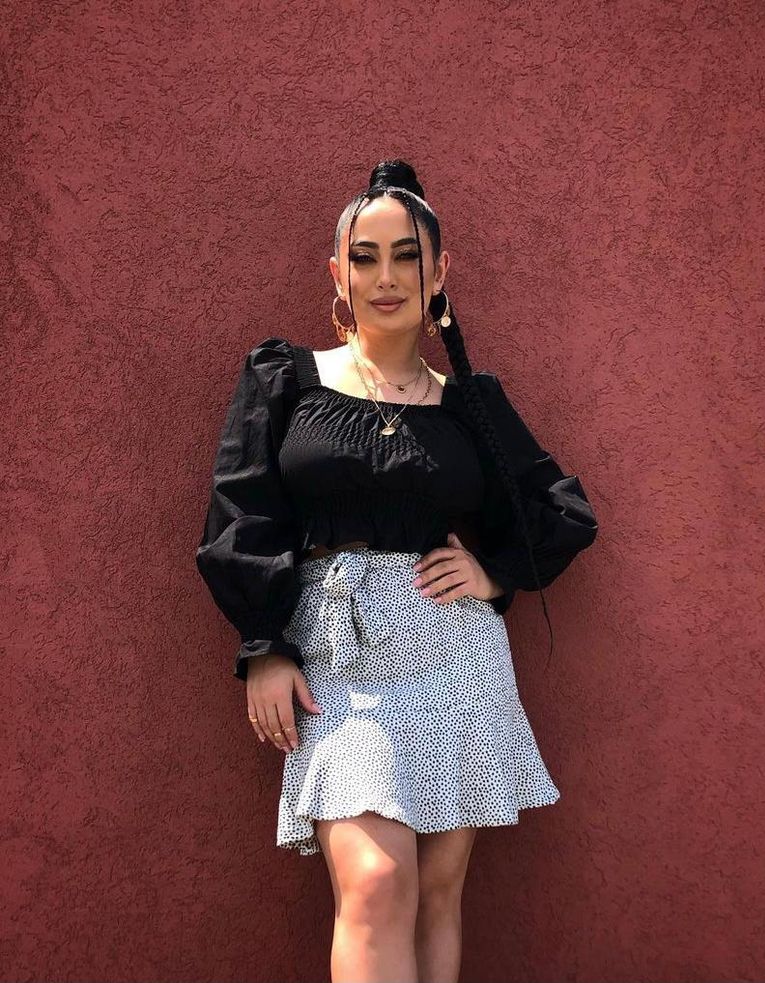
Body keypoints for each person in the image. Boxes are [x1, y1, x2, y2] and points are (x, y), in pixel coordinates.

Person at [195, 158, 599, 983]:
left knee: (436, 897)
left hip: (454, 654)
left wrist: (494, 574)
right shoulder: (287, 378)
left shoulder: (469, 403)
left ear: (439, 273)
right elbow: (241, 511)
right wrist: (264, 643)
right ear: (337, 273)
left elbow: (559, 508)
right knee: (378, 882)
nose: (387, 277)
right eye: (366, 256)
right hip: (338, 657)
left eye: (407, 256)